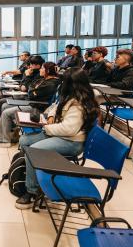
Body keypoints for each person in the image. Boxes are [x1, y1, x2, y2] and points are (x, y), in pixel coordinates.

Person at [15, 68, 99, 209]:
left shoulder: (79, 103)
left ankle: (32, 191)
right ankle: (30, 174)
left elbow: (68, 129)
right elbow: (56, 106)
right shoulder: (70, 95)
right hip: (59, 133)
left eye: (64, 80)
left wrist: (45, 127)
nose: (61, 83)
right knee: (24, 140)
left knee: (34, 150)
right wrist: (52, 116)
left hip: (71, 141)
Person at [0, 62, 60, 147]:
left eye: (42, 68)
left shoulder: (51, 84)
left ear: (47, 70)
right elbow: (30, 88)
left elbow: (30, 93)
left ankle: (4, 141)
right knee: (5, 105)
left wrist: (31, 88)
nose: (40, 70)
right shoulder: (43, 79)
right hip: (32, 102)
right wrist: (32, 89)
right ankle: (11, 135)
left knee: (6, 113)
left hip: (37, 108)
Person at [0, 56, 45, 130]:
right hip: (24, 95)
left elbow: (24, 88)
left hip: (27, 99)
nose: (29, 66)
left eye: (32, 64)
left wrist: (27, 76)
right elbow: (23, 85)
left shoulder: (38, 76)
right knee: (0, 97)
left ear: (38, 65)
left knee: (2, 101)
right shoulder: (32, 72)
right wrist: (26, 77)